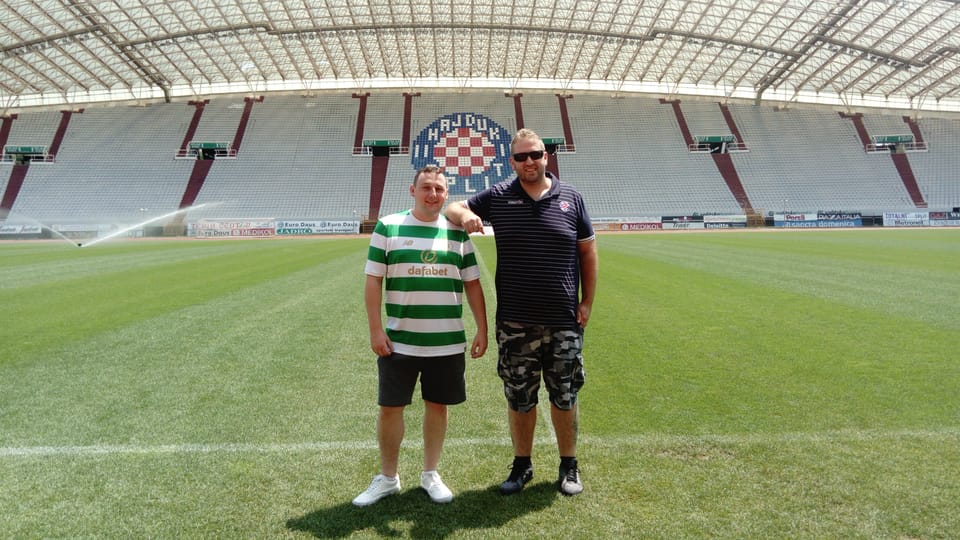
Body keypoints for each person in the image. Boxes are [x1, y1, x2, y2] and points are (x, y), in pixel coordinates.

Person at [444, 128, 598, 496]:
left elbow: (588, 254)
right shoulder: (499, 196)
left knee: (565, 395)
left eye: (536, 154)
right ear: (511, 162)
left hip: (563, 320)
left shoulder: (572, 199)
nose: (529, 161)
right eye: (521, 157)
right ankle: (522, 465)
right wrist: (464, 217)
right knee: (519, 397)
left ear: (546, 156)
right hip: (514, 322)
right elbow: (453, 207)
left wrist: (587, 301)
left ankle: (569, 465)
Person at [354, 165, 488, 507]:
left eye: (439, 189)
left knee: (438, 407)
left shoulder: (456, 233)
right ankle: (387, 478)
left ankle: (430, 474)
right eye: (426, 187)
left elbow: (473, 284)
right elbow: (373, 280)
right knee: (389, 408)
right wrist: (375, 329)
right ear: (412, 190)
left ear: (446, 195)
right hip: (399, 340)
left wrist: (482, 328)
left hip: (446, 341)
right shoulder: (389, 226)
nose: (433, 194)